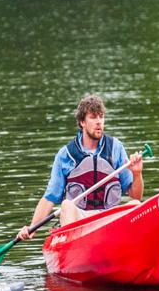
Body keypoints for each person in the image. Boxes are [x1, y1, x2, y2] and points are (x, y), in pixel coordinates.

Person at [17, 93, 146, 241]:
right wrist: (32, 227)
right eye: (93, 117)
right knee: (66, 205)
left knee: (135, 204)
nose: (99, 122)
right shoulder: (66, 155)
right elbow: (50, 197)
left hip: (110, 219)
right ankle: (76, 249)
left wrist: (137, 174)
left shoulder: (115, 148)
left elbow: (136, 195)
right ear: (82, 122)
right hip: (81, 221)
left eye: (101, 116)